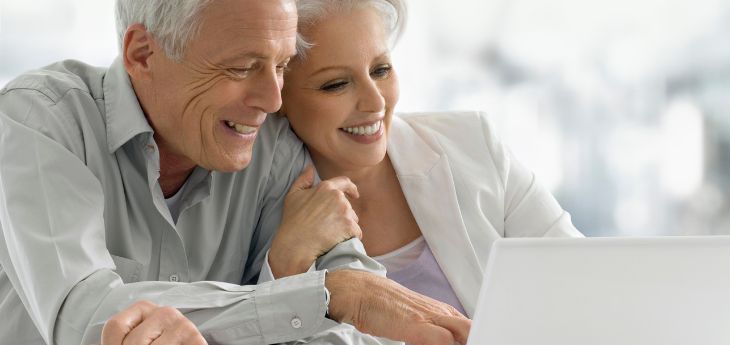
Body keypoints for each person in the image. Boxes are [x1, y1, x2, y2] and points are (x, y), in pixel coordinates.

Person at [0, 0, 469, 344]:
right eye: (243, 67)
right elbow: (81, 318)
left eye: (282, 66)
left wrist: (317, 290)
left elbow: (359, 314)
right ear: (143, 53)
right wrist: (319, 296)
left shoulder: (271, 145)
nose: (273, 100)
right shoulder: (39, 119)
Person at [265, 0, 584, 318]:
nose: (375, 101)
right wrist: (287, 261)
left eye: (381, 70)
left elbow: (584, 277)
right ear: (277, 93)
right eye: (336, 84)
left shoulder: (474, 144)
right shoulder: (253, 206)